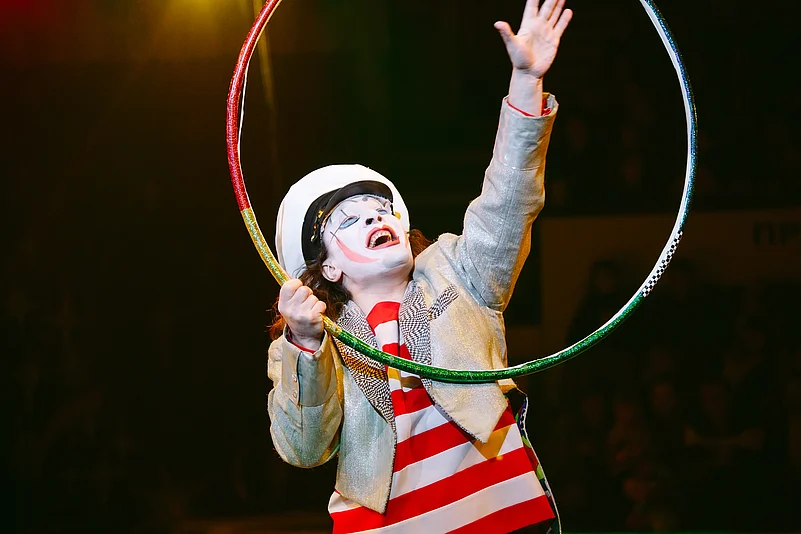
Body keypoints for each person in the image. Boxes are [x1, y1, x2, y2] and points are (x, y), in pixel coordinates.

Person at [267, 1, 572, 532]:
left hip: (503, 515)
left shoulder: (462, 271)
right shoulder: (319, 342)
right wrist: (304, 344)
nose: (374, 218)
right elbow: (303, 448)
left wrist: (526, 83)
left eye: (381, 210)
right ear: (328, 269)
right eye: (350, 220)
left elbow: (510, 196)